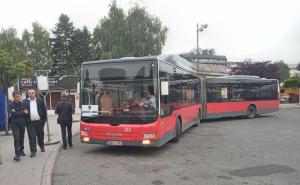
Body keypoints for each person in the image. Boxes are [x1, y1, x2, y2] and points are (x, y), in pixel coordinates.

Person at [23, 89, 47, 155]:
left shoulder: (40, 100)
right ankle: (33, 151)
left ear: (35, 93)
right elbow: (23, 110)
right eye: (29, 93)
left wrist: (44, 120)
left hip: (39, 122)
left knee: (40, 135)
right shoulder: (25, 102)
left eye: (32, 93)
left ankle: (41, 146)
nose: (31, 94)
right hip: (30, 123)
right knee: (31, 137)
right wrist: (24, 112)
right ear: (28, 94)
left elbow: (44, 110)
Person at [9, 91, 29, 161]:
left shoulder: (23, 104)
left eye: (19, 96)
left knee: (21, 137)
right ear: (13, 97)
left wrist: (18, 112)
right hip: (14, 124)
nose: (18, 97)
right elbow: (13, 114)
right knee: (16, 138)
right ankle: (17, 155)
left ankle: (21, 150)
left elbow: (26, 113)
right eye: (16, 96)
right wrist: (22, 112)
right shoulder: (11, 105)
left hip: (22, 123)